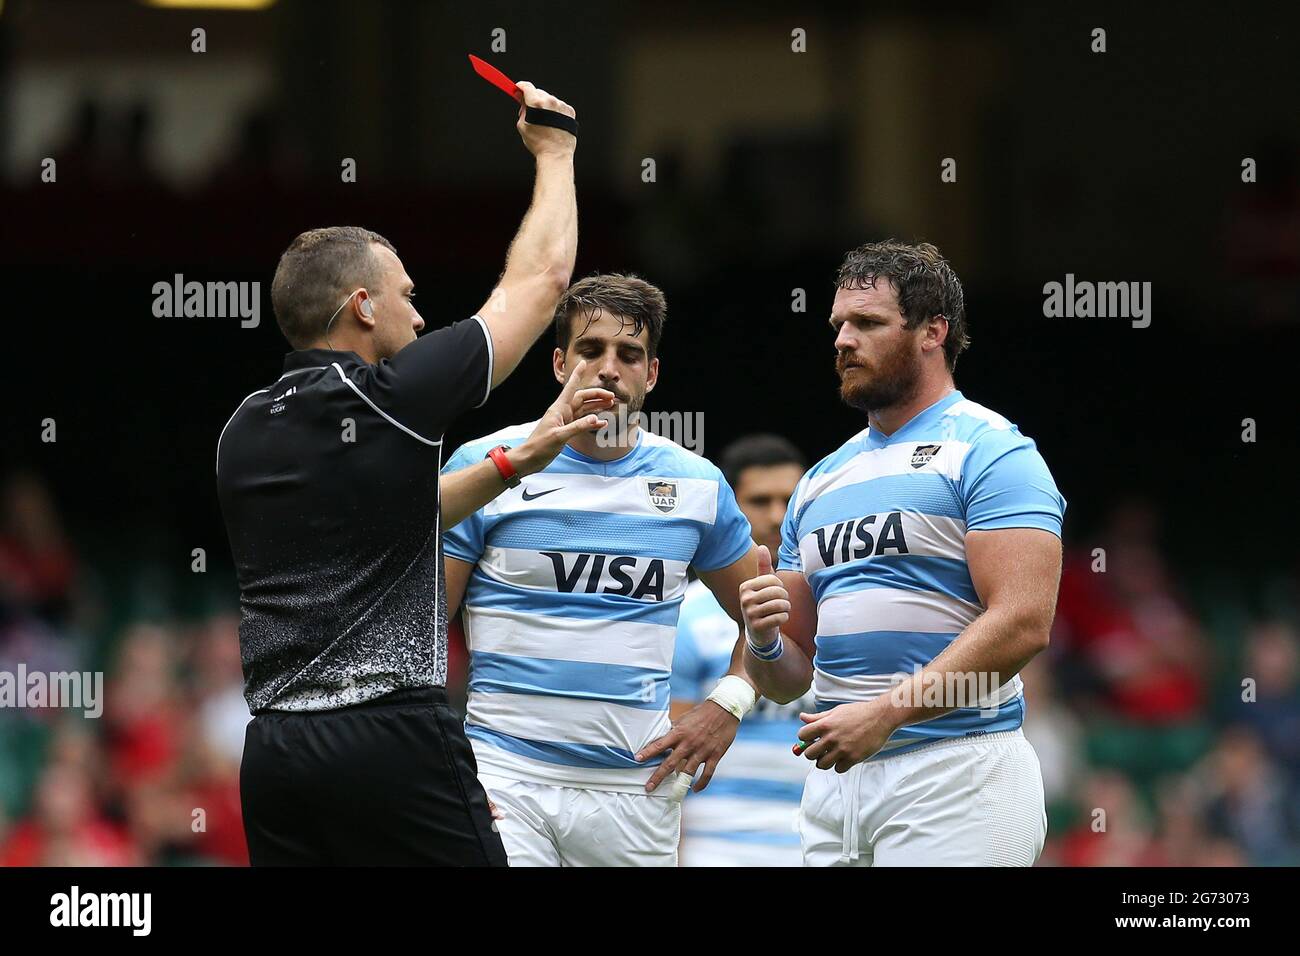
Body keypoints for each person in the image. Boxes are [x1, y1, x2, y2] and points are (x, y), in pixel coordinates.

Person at [215, 83, 607, 865]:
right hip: (390, 741)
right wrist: (556, 150)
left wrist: (508, 463)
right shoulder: (396, 396)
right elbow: (541, 281)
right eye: (408, 297)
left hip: (276, 756)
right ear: (362, 307)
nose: (422, 318)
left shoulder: (242, 427)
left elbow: (378, 519)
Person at [740, 240, 1066, 866]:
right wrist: (761, 640)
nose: (842, 340)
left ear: (932, 332)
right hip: (837, 784)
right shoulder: (818, 482)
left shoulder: (994, 451)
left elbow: (1024, 622)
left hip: (957, 772)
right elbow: (790, 679)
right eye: (838, 324)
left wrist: (886, 714)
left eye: (867, 323)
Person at [442, 273, 760, 866]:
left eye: (629, 354)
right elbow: (426, 631)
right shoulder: (485, 468)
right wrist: (443, 766)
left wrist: (729, 705)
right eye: (591, 350)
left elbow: (766, 626)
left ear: (652, 374)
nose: (608, 368)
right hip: (505, 776)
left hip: (636, 786)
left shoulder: (695, 483)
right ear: (561, 363)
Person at [670, 434, 815, 866]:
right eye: (760, 500)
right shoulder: (687, 614)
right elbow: (674, 754)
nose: (777, 516)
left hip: (821, 845)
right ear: (732, 511)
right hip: (716, 848)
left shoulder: (839, 612)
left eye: (790, 500)